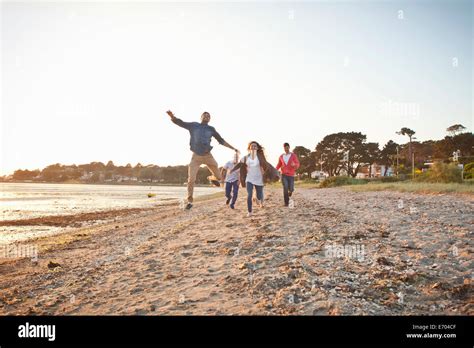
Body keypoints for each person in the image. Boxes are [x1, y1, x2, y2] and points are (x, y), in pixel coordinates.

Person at [165, 110, 239, 210]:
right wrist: (172, 116)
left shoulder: (211, 129)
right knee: (191, 179)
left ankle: (211, 178)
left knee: (219, 177)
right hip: (196, 157)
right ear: (201, 117)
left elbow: (221, 141)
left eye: (208, 116)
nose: (206, 117)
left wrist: (233, 148)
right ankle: (190, 201)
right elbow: (181, 123)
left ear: (210, 119)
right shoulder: (193, 125)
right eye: (205, 115)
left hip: (208, 156)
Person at [231, 141, 270, 217]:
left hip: (259, 178)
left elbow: (265, 166)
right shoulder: (246, 157)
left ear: (257, 148)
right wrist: (232, 170)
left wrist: (266, 175)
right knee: (249, 194)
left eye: (255, 146)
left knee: (259, 196)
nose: (253, 147)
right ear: (249, 148)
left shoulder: (260, 157)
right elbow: (239, 164)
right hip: (249, 178)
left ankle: (258, 199)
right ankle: (250, 211)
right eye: (252, 146)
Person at [276, 142, 300, 207]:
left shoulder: (293, 155)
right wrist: (276, 169)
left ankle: (291, 191)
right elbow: (279, 164)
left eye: (287, 147)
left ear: (289, 147)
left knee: (291, 188)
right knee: (285, 188)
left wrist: (294, 165)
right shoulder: (281, 156)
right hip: (283, 175)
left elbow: (297, 164)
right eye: (284, 147)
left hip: (291, 175)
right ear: (283, 148)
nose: (286, 148)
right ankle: (286, 203)